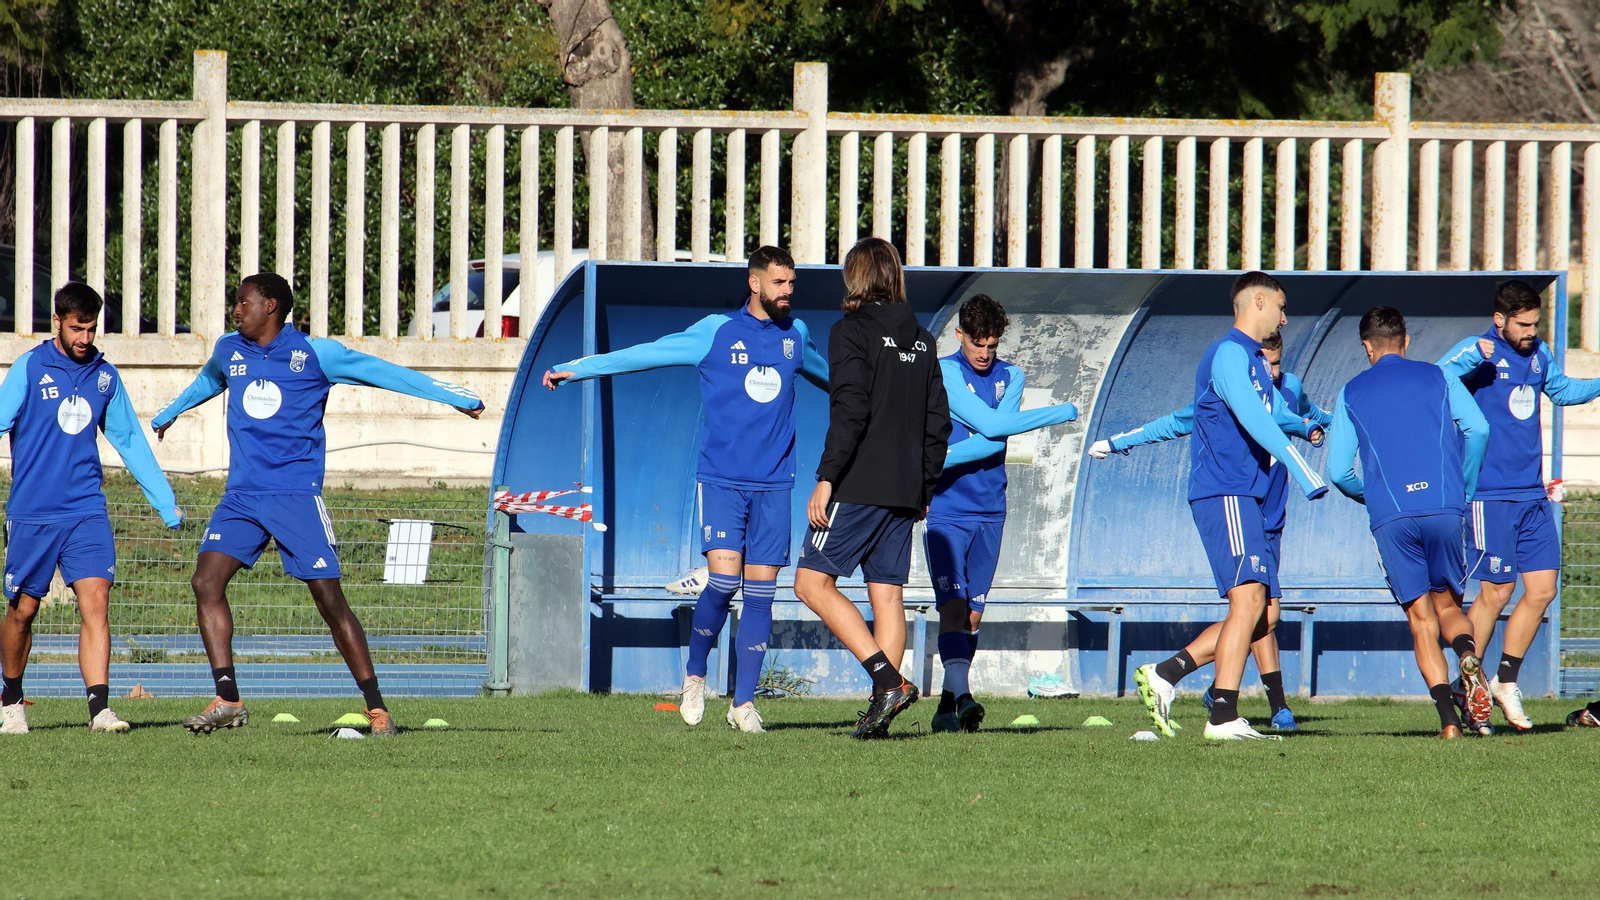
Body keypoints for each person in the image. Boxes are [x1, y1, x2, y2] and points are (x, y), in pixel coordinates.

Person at [152, 273, 484, 736]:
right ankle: (227, 699)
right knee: (206, 582)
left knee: (330, 601)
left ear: (270, 306)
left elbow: (386, 374)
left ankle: (377, 709)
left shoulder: (316, 354)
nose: (236, 310)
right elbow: (208, 381)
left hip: (296, 497)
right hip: (242, 496)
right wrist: (169, 413)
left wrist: (453, 397)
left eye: (244, 302)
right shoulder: (229, 349)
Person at [543, 247, 826, 734]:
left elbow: (841, 382)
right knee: (724, 583)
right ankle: (694, 676)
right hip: (722, 482)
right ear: (755, 283)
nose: (787, 292)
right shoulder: (715, 331)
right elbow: (645, 354)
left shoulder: (795, 335)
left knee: (762, 595)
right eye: (779, 283)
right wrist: (578, 368)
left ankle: (743, 704)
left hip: (775, 484)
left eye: (792, 284)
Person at [1093, 329, 1328, 733]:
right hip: (1241, 507)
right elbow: (1177, 421)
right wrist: (1117, 442)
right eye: (1263, 364)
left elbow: (1302, 412)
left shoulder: (1287, 388)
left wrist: (1323, 424)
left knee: (1264, 617)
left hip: (1271, 519)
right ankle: (1223, 699)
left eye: (1275, 364)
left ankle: (1194, 680)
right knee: (1252, 608)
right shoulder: (1231, 390)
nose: (1269, 373)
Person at [0, 283, 184, 734]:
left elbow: (130, 440)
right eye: (76, 328)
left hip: (86, 510)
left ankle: (100, 710)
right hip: (33, 512)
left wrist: (165, 502)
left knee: (96, 603)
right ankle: (11, 702)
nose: (85, 338)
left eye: (91, 329)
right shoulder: (29, 368)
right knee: (23, 611)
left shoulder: (105, 377)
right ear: (57, 322)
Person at [793, 237, 949, 740]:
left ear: (856, 278)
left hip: (858, 483)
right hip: (906, 490)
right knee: (887, 594)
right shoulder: (923, 340)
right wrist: (924, 489)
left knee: (810, 583)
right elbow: (938, 424)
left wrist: (826, 478)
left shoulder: (850, 331)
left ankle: (888, 682)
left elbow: (851, 409)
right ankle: (880, 716)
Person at [1436, 279, 1600, 733]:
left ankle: (1505, 681)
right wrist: (1470, 360)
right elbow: (1435, 378)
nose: (1531, 332)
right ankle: (1467, 688)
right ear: (1500, 319)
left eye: (1535, 324)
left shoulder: (1539, 353)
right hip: (1489, 495)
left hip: (1532, 494)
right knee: (1497, 591)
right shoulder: (1478, 350)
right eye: (1523, 325)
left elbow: (1562, 391)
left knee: (1543, 590)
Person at [1328, 307, 1491, 738]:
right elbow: (1478, 429)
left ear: (1367, 347)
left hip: (1392, 516)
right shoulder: (1439, 376)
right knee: (1449, 607)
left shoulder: (1350, 391)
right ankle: (1467, 654)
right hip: (1444, 507)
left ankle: (1449, 723)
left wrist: (1375, 495)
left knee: (1422, 620)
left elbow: (1338, 472)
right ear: (1406, 340)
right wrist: (1464, 487)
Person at [925, 294, 1079, 734]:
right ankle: (966, 699)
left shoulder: (1012, 375)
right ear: (959, 335)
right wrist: (1060, 412)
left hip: (992, 508)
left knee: (973, 614)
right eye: (977, 343)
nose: (985, 353)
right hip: (948, 507)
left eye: (992, 345)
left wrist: (940, 457)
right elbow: (996, 428)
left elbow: (993, 440)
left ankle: (946, 708)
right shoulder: (942, 371)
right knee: (952, 606)